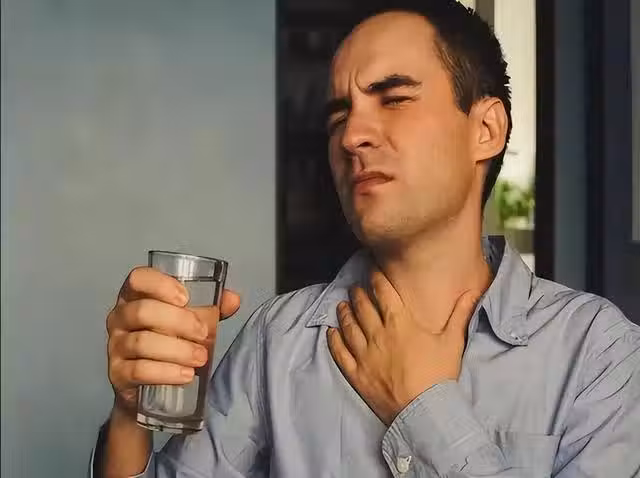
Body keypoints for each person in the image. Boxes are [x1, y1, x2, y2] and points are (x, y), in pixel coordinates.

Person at [92, 1, 640, 476]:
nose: (352, 136)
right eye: (339, 116)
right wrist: (129, 415)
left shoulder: (598, 355)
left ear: (486, 129)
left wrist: (424, 409)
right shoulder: (275, 342)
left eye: (394, 98)